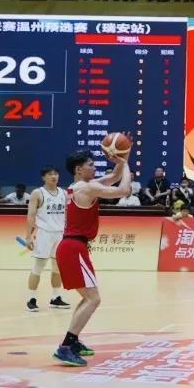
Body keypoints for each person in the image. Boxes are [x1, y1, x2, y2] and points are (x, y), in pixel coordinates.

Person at [52, 146, 134, 366]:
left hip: (72, 246)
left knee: (87, 297)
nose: (94, 167)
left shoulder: (79, 186)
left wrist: (122, 158)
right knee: (93, 299)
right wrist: (125, 163)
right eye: (90, 164)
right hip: (73, 247)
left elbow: (114, 176)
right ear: (78, 169)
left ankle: (73, 341)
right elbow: (124, 190)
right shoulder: (87, 188)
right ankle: (66, 346)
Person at [24, 166, 71, 312]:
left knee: (58, 267)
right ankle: (31, 299)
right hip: (44, 234)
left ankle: (56, 297)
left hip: (60, 234)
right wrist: (28, 237)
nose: (54, 176)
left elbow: (67, 215)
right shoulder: (37, 193)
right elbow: (31, 216)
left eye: (56, 174)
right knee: (38, 267)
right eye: (50, 174)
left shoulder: (64, 193)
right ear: (43, 177)